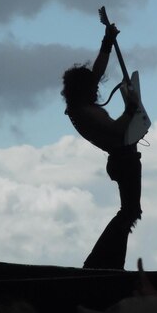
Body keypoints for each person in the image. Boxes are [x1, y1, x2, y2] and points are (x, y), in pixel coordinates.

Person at [62, 22, 142, 270]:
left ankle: (109, 262)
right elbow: (117, 131)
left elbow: (97, 71)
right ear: (83, 89)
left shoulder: (80, 107)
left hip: (122, 159)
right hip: (123, 159)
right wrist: (130, 110)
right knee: (128, 212)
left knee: (129, 212)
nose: (97, 86)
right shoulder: (84, 111)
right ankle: (101, 263)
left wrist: (106, 42)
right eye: (92, 85)